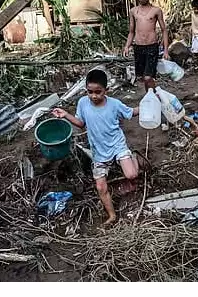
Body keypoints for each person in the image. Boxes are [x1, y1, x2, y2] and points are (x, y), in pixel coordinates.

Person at [52, 69, 140, 226]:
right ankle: (112, 215)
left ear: (106, 90)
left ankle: (133, 157)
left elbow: (131, 112)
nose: (93, 96)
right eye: (89, 92)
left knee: (132, 174)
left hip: (117, 145)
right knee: (100, 187)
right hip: (99, 152)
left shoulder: (114, 104)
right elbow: (81, 123)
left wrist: (148, 106)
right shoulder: (82, 103)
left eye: (98, 92)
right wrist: (65, 114)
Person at [124, 0, 169, 89]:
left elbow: (164, 30)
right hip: (138, 47)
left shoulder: (156, 11)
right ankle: (151, 96)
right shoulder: (133, 11)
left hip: (152, 47)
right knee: (143, 78)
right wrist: (127, 46)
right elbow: (131, 32)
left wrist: (166, 50)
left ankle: (153, 95)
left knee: (149, 77)